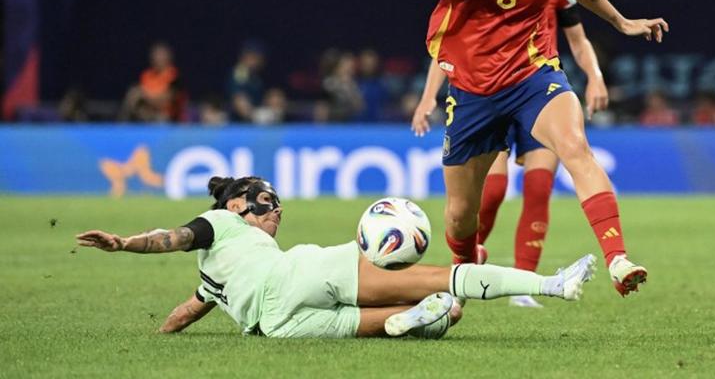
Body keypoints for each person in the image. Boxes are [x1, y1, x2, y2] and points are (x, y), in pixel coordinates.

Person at [382, 0, 668, 296]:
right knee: (461, 213)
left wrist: (622, 22)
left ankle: (617, 258)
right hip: (473, 90)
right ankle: (463, 274)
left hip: (533, 77)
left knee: (575, 147)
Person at [76, 176, 597, 339]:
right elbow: (172, 236)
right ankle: (552, 285)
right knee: (443, 277)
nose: (274, 208)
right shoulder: (221, 222)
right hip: (297, 277)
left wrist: (160, 339)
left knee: (401, 319)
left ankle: (408, 322)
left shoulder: (215, 276)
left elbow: (188, 311)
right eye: (265, 200)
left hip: (277, 327)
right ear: (236, 204)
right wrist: (125, 243)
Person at [410, 0, 609, 308]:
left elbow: (578, 37)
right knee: (491, 192)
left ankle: (524, 284)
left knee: (539, 186)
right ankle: (470, 263)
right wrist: (428, 97)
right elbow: (451, 48)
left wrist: (594, 77)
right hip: (486, 91)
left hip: (535, 87)